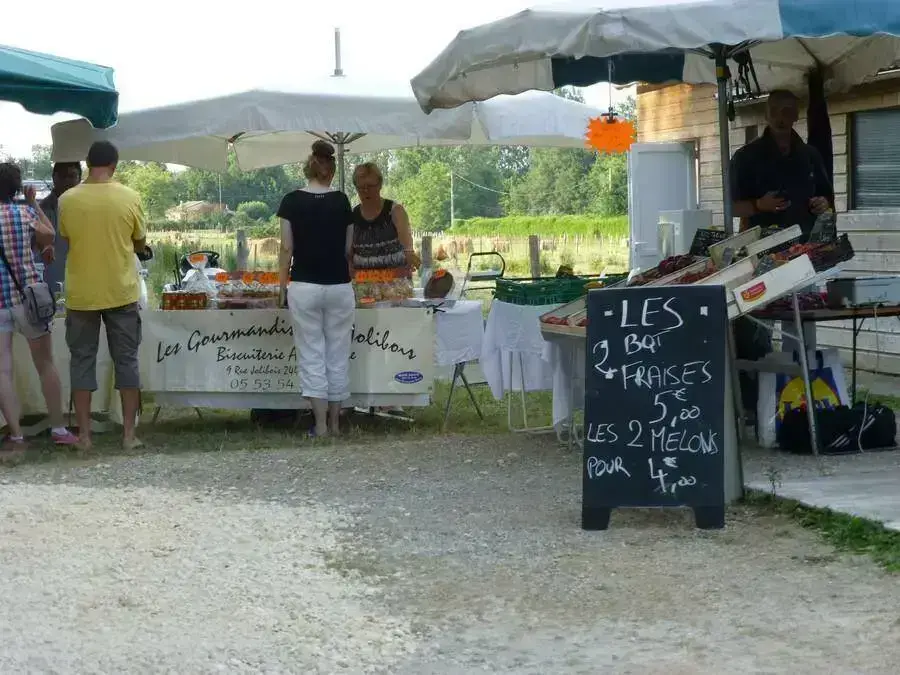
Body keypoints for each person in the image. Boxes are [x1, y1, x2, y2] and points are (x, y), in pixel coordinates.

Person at [59, 141, 147, 452]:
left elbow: (68, 237)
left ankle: (84, 436)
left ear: (86, 163)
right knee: (127, 361)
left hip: (81, 293)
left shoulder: (67, 199)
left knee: (82, 361)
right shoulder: (130, 197)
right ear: (114, 165)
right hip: (121, 290)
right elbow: (139, 241)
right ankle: (128, 435)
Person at [278, 140, 355, 438]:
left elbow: (286, 249)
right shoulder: (342, 201)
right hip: (339, 286)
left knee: (311, 353)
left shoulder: (290, 201)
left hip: (304, 285)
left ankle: (320, 425)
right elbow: (348, 249)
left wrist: (281, 287)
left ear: (308, 168)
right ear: (331, 170)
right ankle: (335, 423)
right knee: (338, 353)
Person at [0, 162, 78, 456]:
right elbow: (49, 234)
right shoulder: (24, 213)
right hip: (29, 299)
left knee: (2, 370)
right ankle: (58, 428)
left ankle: (17, 435)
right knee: (45, 364)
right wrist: (33, 203)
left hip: (0, 301)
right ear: (17, 188)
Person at [731, 89, 834, 239]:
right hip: (762, 246)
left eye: (787, 111)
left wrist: (823, 203)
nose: (780, 118)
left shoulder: (811, 155)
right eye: (774, 111)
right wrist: (758, 205)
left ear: (796, 116)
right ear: (766, 115)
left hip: (805, 245)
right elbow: (731, 208)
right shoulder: (745, 157)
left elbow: (827, 196)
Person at [351, 162, 420, 273]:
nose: (366, 191)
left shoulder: (396, 211)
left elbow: (408, 250)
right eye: (361, 187)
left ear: (380, 185)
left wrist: (411, 263)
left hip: (395, 280)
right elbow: (349, 254)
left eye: (370, 186)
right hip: (362, 280)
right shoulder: (352, 216)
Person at [39, 162, 82, 293]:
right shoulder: (42, 209)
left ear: (79, 178)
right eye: (63, 176)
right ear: (54, 178)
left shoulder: (87, 206)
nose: (67, 181)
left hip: (82, 275)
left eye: (72, 176)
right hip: (53, 278)